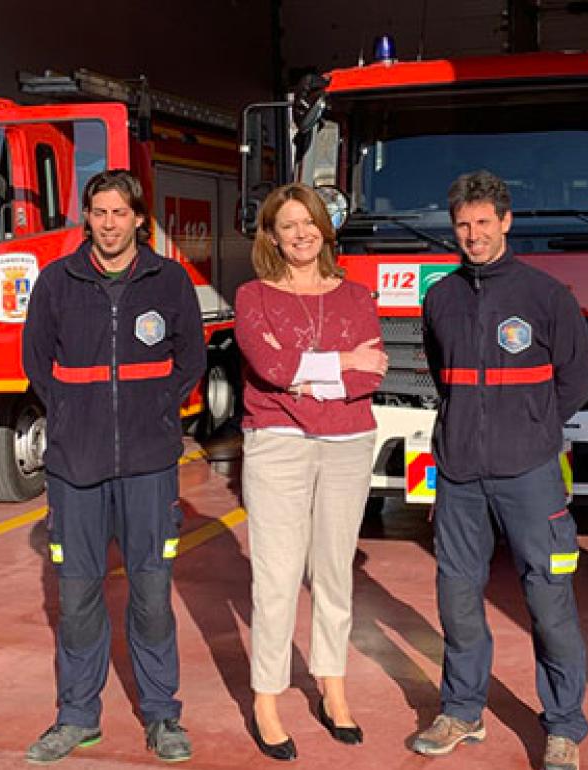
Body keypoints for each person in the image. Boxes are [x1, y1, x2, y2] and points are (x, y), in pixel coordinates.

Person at [21, 169, 206, 764]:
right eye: (99, 213)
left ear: (137, 219)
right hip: (76, 465)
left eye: (119, 213)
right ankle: (77, 717)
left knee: (151, 591)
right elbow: (36, 360)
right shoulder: (58, 281)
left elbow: (192, 356)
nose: (108, 224)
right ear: (87, 218)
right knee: (77, 596)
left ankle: (161, 715)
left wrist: (155, 410)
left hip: (150, 464)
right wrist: (74, 414)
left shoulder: (168, 279)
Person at [412, 170, 588, 770]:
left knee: (548, 602)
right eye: (463, 225)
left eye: (484, 223)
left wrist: (533, 428)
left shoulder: (547, 297)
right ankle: (463, 711)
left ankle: (564, 726)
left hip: (530, 475)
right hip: (460, 475)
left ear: (506, 222)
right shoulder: (440, 297)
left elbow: (577, 381)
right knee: (457, 601)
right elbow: (443, 376)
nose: (473, 235)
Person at [234, 183, 389, 761]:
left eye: (309, 223)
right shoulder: (253, 296)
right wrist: (341, 361)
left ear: (326, 229)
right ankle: (267, 699)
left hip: (349, 442)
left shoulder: (356, 295)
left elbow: (371, 376)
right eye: (287, 225)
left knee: (334, 575)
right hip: (277, 443)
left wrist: (304, 374)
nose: (300, 234)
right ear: (271, 235)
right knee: (275, 580)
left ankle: (333, 687)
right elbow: (269, 366)